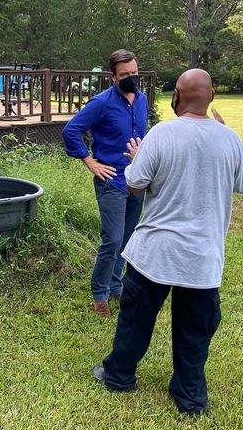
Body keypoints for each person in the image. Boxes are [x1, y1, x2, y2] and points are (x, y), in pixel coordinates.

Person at [90, 69, 243, 415]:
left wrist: (138, 159)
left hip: (155, 253)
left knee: (135, 320)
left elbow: (134, 184)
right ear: (211, 98)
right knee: (194, 331)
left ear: (176, 98)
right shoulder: (229, 139)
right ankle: (190, 399)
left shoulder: (161, 134)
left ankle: (118, 376)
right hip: (201, 257)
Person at [63, 49, 149, 318]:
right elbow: (71, 131)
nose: (131, 78)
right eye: (125, 75)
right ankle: (99, 294)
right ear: (113, 76)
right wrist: (90, 161)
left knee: (126, 238)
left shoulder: (142, 100)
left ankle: (115, 286)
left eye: (134, 73)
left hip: (137, 179)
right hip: (111, 179)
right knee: (111, 240)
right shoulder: (101, 102)